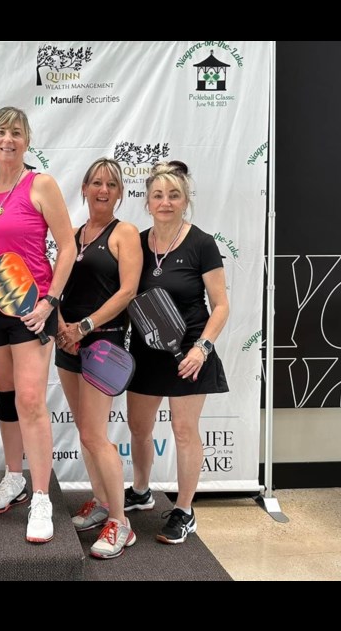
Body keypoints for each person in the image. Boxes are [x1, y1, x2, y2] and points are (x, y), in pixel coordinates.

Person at [0, 106, 76, 543]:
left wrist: (51, 301)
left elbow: (68, 247)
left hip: (33, 309)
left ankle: (40, 496)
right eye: (1, 132)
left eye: (16, 132)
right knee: (7, 396)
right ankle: (14, 477)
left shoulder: (41, 184)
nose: (8, 139)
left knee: (32, 400)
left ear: (27, 140)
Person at [124, 161, 230, 544]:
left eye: (173, 195)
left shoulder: (201, 242)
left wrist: (202, 349)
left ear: (185, 200)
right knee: (139, 427)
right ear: (147, 201)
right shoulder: (135, 241)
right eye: (158, 195)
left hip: (190, 350)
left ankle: (184, 510)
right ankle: (140, 490)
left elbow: (220, 305)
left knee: (184, 431)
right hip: (146, 348)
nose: (165, 202)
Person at [54, 158, 142, 559]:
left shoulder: (125, 233)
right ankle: (102, 503)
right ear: (84, 188)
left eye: (111, 184)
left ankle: (121, 523)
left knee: (94, 435)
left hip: (103, 343)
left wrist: (84, 327)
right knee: (85, 434)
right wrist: (61, 327)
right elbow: (56, 286)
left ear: (120, 192)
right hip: (67, 344)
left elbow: (126, 292)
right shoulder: (73, 235)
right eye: (96, 183)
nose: (103, 189)